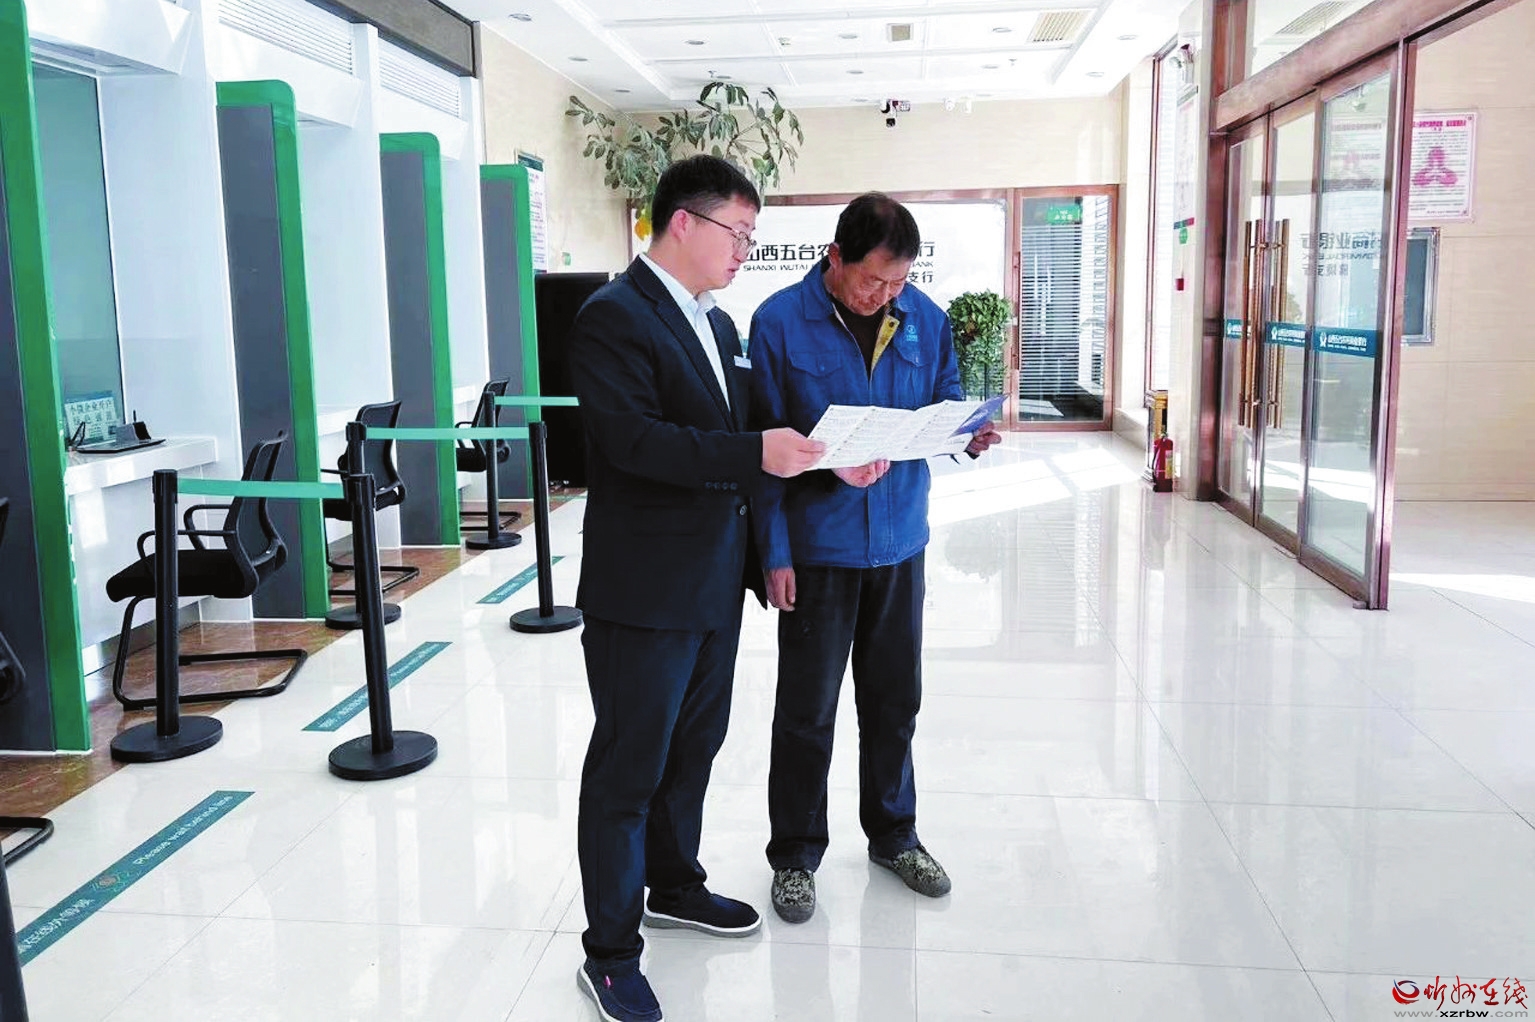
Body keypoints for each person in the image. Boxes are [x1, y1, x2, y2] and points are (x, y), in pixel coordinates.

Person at [566, 154, 825, 1022]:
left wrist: (827, 454)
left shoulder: (716, 324)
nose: (746, 249)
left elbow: (744, 429)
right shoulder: (613, 316)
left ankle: (673, 884)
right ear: (683, 221)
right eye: (738, 232)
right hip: (643, 592)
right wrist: (755, 452)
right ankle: (609, 954)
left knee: (692, 751)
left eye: (751, 235)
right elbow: (635, 442)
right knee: (626, 772)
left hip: (713, 582)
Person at [747, 192, 1002, 925]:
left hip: (898, 545)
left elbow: (944, 399)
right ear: (835, 257)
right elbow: (760, 449)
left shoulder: (924, 317)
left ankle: (894, 836)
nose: (885, 295)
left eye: (897, 281)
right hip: (818, 550)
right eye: (872, 280)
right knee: (807, 711)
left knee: (894, 702)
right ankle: (795, 855)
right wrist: (774, 552)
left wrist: (965, 433)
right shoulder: (778, 323)